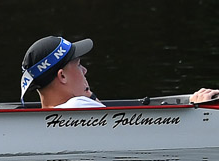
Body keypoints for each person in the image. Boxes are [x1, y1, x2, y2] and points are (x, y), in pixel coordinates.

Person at [20, 35, 218, 108]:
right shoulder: (79, 106)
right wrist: (196, 107)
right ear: (62, 76)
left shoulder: (75, 108)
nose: (85, 70)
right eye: (78, 65)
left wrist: (89, 93)